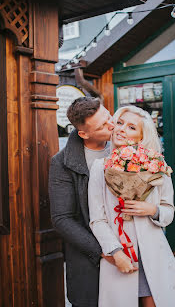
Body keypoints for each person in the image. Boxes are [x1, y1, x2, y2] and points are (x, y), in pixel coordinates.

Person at [88, 105, 175, 307]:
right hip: (121, 255)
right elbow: (97, 219)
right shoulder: (100, 167)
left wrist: (152, 210)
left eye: (131, 127)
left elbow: (168, 210)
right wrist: (115, 253)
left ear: (141, 137)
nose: (121, 129)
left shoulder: (157, 166)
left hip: (153, 254)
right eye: (119, 123)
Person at [48, 97, 116, 307]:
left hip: (132, 248)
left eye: (108, 117)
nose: (112, 125)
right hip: (89, 259)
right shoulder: (61, 163)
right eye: (102, 126)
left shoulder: (126, 143)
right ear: (84, 134)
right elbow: (62, 219)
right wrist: (104, 251)